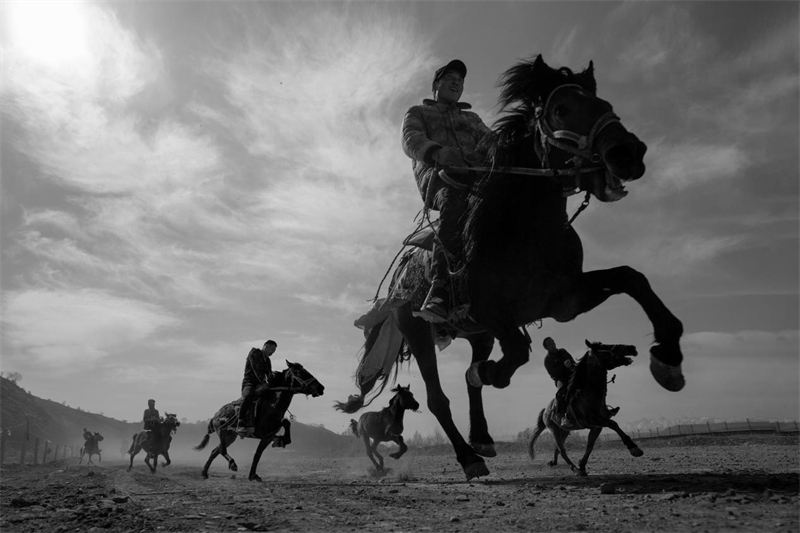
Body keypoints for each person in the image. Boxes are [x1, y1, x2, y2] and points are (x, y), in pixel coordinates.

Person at [401, 59, 492, 322]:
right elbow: (411, 139)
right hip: (439, 176)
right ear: (436, 85)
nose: (456, 82)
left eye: (460, 80)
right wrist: (437, 152)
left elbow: (490, 142)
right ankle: (440, 287)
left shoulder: (472, 118)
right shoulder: (418, 112)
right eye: (450, 77)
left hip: (478, 176)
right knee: (455, 202)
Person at [237, 340, 277, 437]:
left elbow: (269, 374)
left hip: (261, 385)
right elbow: (256, 370)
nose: (272, 352)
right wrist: (263, 383)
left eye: (274, 351)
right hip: (249, 383)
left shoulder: (267, 361)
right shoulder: (254, 353)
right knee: (249, 396)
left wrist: (273, 381)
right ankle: (240, 421)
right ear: (265, 347)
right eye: (271, 349)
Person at [543, 337, 578, 427]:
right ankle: (561, 416)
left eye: (553, 342)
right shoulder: (547, 360)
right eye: (550, 344)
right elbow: (553, 373)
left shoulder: (563, 351)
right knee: (562, 392)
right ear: (546, 348)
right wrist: (564, 366)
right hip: (560, 379)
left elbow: (572, 361)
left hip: (572, 375)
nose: (553, 345)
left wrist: (574, 366)